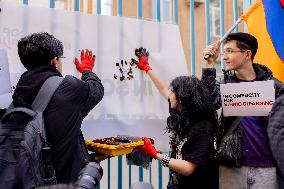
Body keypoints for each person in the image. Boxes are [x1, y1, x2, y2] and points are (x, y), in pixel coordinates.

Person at [13, 32, 104, 183]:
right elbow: (96, 90)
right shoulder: (68, 87)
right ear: (55, 61)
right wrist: (87, 71)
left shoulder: (19, 91)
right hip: (63, 182)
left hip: (30, 179)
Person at [202, 32, 283, 189]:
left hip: (266, 165)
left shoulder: (273, 86)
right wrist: (209, 65)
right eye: (224, 52)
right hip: (231, 164)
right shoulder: (224, 83)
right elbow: (207, 104)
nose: (224, 57)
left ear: (247, 54)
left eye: (230, 51)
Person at [132, 47, 218, 189]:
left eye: (173, 92)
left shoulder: (203, 126)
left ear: (182, 98)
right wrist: (147, 68)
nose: (169, 94)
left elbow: (188, 168)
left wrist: (155, 154)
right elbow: (163, 89)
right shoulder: (181, 112)